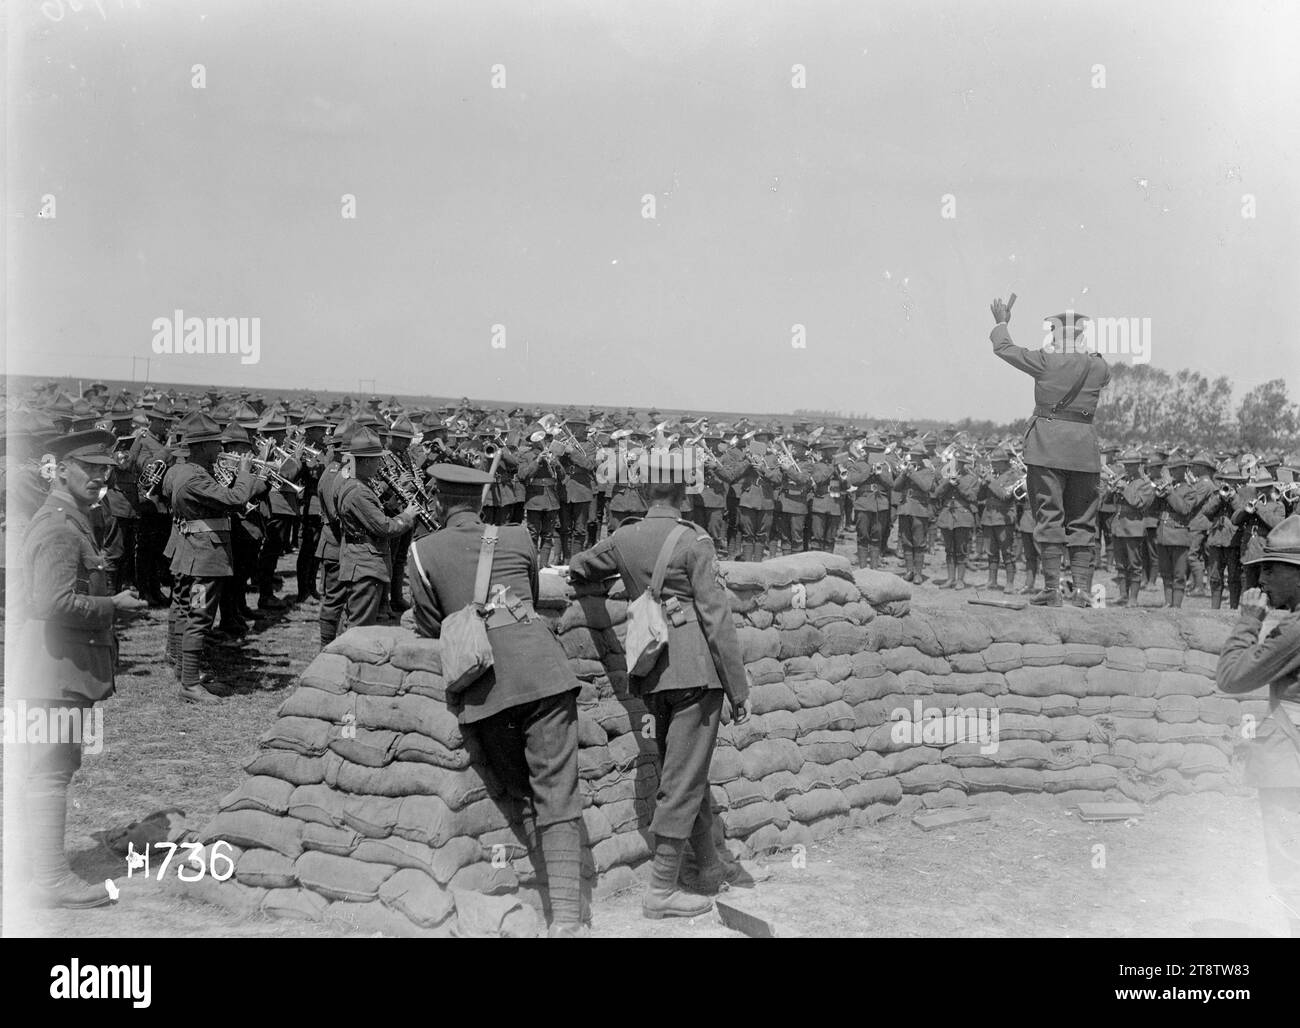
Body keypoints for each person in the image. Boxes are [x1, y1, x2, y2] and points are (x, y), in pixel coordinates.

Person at [406, 464, 585, 937]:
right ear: (483, 501)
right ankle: (567, 918)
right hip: (545, 673)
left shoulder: (422, 551)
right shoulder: (519, 537)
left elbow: (430, 624)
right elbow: (525, 593)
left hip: (486, 690)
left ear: (439, 502)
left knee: (517, 788)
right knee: (558, 792)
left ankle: (531, 884)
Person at [569, 455, 751, 920]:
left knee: (687, 772)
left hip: (650, 671)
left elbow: (580, 567)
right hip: (695, 672)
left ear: (647, 494)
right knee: (682, 777)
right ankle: (661, 890)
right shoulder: (695, 541)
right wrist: (738, 688)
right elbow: (716, 617)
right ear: (684, 495)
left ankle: (707, 868)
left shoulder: (624, 537)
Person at [12, 429, 148, 907]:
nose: (99, 477)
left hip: (57, 666)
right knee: (50, 768)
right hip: (54, 668)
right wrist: (113, 604)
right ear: (60, 468)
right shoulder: (58, 526)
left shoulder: (74, 519)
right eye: (88, 468)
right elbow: (53, 603)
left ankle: (37, 871)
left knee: (48, 767)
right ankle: (49, 878)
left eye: (105, 469)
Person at [990, 296, 1111, 606]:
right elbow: (1104, 383)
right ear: (1081, 336)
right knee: (1083, 521)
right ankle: (1082, 591)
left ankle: (1053, 590)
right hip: (1084, 451)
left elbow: (1004, 349)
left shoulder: (1046, 360)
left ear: (1056, 336)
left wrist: (1002, 322)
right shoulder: (1099, 365)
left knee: (1049, 517)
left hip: (1047, 448)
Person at [1216, 515, 1300, 937]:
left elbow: (1233, 678)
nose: (1261, 577)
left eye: (1272, 567)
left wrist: (1248, 621)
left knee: (1289, 869)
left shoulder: (1294, 631)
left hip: (1291, 759)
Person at [163, 413, 269, 702]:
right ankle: (190, 684)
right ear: (200, 447)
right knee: (199, 617)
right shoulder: (194, 478)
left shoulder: (188, 472)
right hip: (203, 557)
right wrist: (246, 472)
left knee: (188, 612)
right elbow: (235, 500)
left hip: (193, 552)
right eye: (214, 444)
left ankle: (188, 672)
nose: (220, 449)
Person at [335, 427, 421, 629]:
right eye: (375, 459)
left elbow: (373, 516)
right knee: (360, 624)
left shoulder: (361, 485)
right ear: (364, 461)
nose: (379, 464)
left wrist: (391, 504)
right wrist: (407, 516)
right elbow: (384, 527)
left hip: (367, 560)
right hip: (365, 563)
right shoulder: (358, 491)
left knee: (369, 621)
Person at [978, 448, 1019, 591]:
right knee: (991, 551)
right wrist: (983, 484)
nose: (993, 465)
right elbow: (979, 498)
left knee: (1007, 551)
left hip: (1004, 518)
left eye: (996, 463)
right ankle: (992, 581)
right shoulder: (993, 475)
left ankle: (1009, 583)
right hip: (989, 517)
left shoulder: (1013, 476)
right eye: (993, 463)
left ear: (1004, 462)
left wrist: (990, 480)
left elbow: (1005, 496)